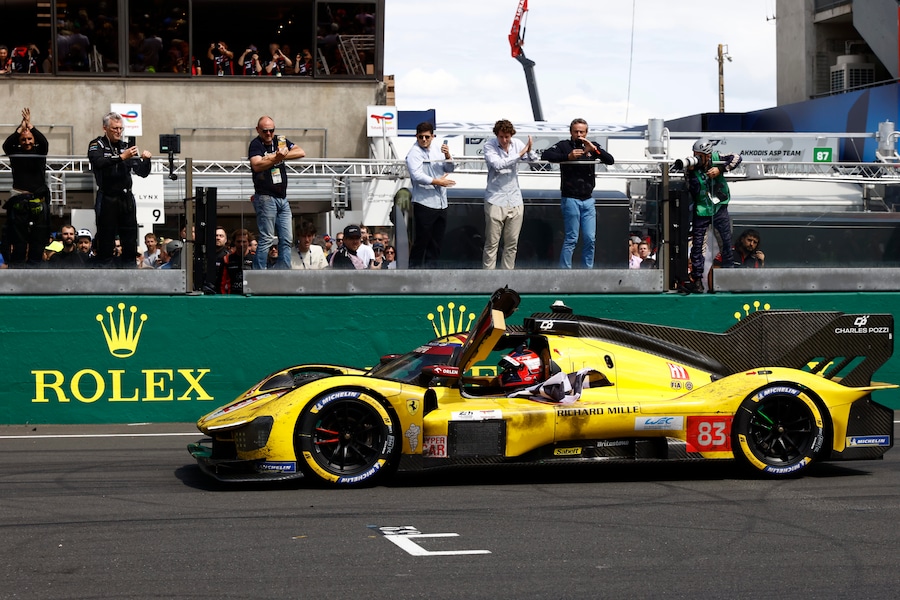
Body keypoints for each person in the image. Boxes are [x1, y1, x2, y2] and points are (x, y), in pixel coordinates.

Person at [541, 118, 615, 269]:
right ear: (571, 132)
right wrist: (568, 157)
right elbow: (546, 155)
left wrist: (594, 150)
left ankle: (587, 271)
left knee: (590, 238)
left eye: (582, 132)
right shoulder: (564, 145)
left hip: (588, 199)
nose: (579, 135)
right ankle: (565, 272)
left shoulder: (592, 146)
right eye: (576, 132)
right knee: (571, 238)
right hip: (570, 198)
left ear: (587, 133)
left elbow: (610, 160)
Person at [87, 111, 152, 268]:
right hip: (107, 196)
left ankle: (130, 268)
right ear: (105, 128)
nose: (118, 132)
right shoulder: (97, 144)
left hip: (126, 199)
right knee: (106, 236)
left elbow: (142, 172)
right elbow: (99, 162)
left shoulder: (125, 146)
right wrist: (122, 157)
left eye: (120, 129)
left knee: (129, 237)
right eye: (115, 128)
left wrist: (147, 160)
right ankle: (105, 269)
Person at [681, 138, 742, 293]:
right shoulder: (691, 166)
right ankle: (697, 280)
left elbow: (737, 157)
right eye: (695, 154)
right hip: (701, 209)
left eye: (700, 155)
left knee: (726, 241)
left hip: (719, 207)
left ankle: (728, 276)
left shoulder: (717, 158)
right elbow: (688, 183)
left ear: (707, 155)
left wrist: (720, 169)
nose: (697, 157)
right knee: (697, 246)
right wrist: (692, 169)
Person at [248, 115, 306, 269]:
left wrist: (278, 156)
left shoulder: (280, 140)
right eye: (265, 131)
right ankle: (259, 273)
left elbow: (300, 152)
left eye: (271, 130)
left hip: (282, 197)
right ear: (258, 130)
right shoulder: (255, 144)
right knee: (267, 238)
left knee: (286, 238)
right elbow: (257, 165)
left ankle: (284, 271)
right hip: (266, 196)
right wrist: (276, 157)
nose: (269, 134)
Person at [481, 119, 537, 270]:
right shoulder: (489, 145)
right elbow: (498, 164)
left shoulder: (517, 143)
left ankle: (507, 280)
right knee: (492, 244)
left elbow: (534, 162)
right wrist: (521, 153)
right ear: (496, 135)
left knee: (512, 244)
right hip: (495, 199)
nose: (504, 140)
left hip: (515, 200)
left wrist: (529, 151)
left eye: (507, 136)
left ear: (511, 135)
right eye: (501, 137)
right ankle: (487, 280)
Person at [2, 107, 51, 267]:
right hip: (20, 202)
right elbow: (7, 144)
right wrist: (20, 129)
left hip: (37, 201)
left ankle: (35, 267)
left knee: (37, 240)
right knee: (19, 240)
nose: (27, 142)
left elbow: (43, 141)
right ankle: (17, 268)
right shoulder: (15, 152)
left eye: (29, 139)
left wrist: (30, 126)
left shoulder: (40, 151)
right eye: (23, 140)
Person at [406, 122, 455, 268]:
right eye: (420, 137)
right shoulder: (413, 153)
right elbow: (416, 175)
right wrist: (438, 182)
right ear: (416, 136)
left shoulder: (438, 148)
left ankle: (431, 274)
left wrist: (447, 155)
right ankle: (413, 273)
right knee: (422, 241)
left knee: (436, 243)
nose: (424, 140)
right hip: (424, 203)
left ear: (432, 136)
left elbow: (449, 168)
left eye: (427, 137)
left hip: (441, 203)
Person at [220, 228, 253, 293]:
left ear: (248, 242)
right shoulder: (227, 258)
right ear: (234, 242)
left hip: (250, 295)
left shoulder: (254, 258)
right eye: (238, 241)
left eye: (244, 242)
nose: (241, 244)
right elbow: (222, 282)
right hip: (233, 296)